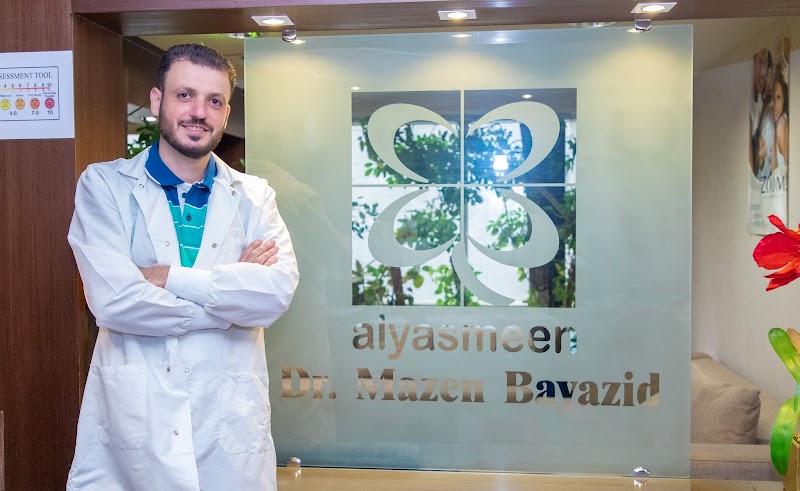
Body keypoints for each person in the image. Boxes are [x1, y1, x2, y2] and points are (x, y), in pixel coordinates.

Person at [66, 44, 299, 490]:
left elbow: (273, 296)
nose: (199, 112)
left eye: (214, 101)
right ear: (157, 101)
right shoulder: (105, 186)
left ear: (226, 114)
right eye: (185, 95)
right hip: (136, 428)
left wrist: (168, 277)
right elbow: (115, 303)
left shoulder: (254, 196)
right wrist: (228, 308)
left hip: (228, 431)